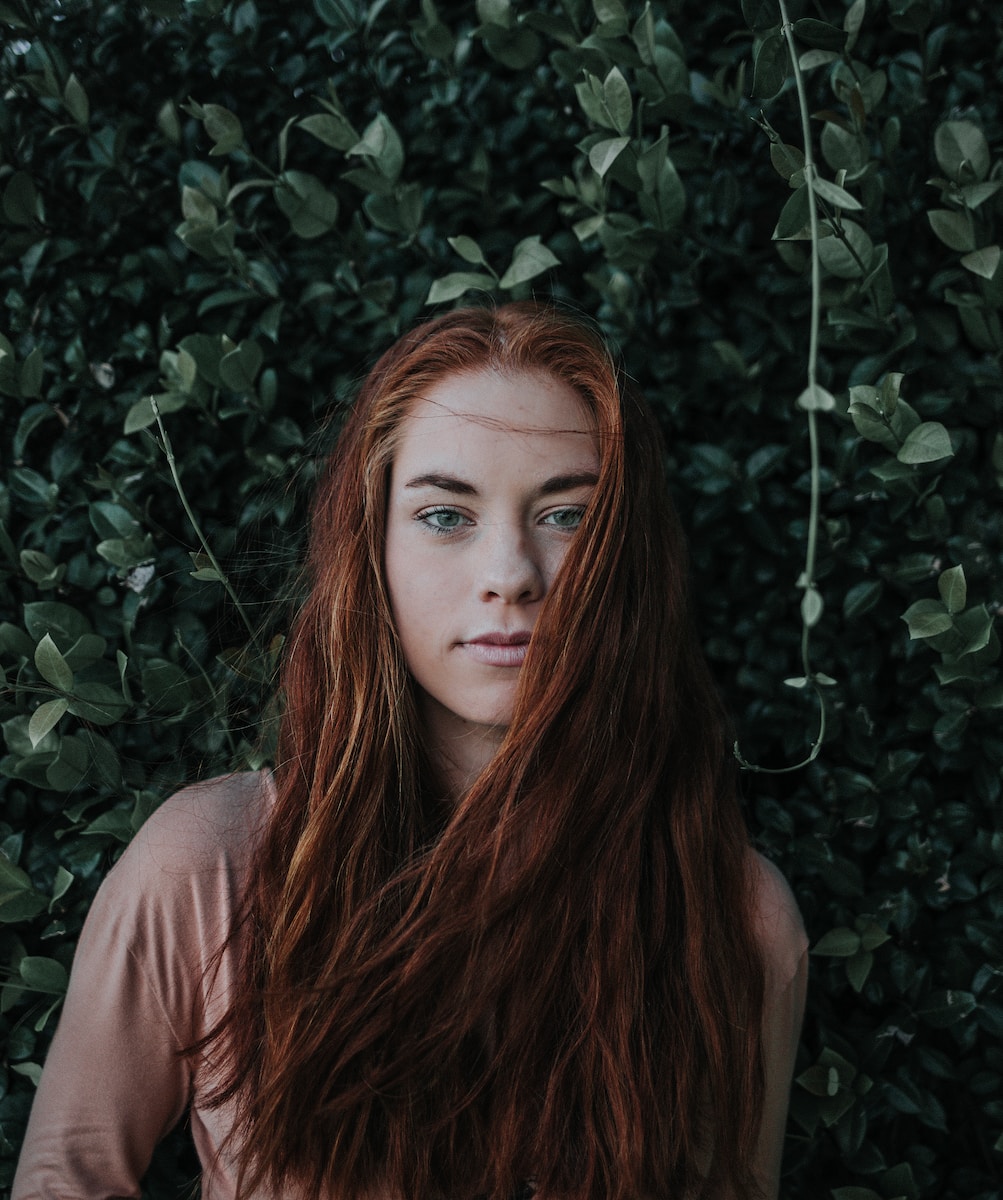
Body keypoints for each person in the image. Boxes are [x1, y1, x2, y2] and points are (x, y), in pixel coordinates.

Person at [12, 302, 808, 1200]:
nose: (509, 573)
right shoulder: (208, 867)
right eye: (443, 515)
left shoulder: (736, 919)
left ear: (629, 555)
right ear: (372, 546)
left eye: (567, 516)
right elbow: (66, 1178)